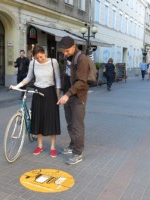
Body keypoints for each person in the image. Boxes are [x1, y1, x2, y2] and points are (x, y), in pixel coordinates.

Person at [10, 45, 61, 158]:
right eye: (37, 57)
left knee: (51, 119)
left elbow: (57, 79)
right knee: (38, 118)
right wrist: (16, 86)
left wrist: (58, 96)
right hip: (37, 92)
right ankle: (40, 145)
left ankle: (53, 147)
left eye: (41, 57)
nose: (39, 59)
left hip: (50, 93)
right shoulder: (33, 63)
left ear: (45, 53)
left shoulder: (53, 62)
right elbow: (28, 78)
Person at [57, 36, 89, 165]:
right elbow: (66, 75)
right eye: (63, 51)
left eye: (67, 51)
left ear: (74, 46)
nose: (65, 53)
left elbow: (81, 81)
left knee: (77, 125)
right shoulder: (67, 58)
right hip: (67, 95)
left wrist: (67, 95)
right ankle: (72, 145)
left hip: (78, 96)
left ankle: (78, 153)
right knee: (70, 123)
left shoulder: (82, 59)